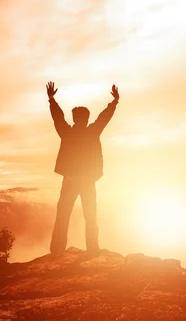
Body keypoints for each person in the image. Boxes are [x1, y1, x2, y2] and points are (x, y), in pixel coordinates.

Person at [46, 81, 119, 254]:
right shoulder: (92, 131)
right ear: (86, 119)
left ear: (74, 118)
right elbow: (104, 118)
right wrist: (114, 102)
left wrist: (51, 100)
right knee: (90, 215)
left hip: (70, 180)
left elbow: (58, 118)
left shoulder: (67, 132)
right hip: (87, 181)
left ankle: (57, 250)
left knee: (63, 215)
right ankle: (93, 249)